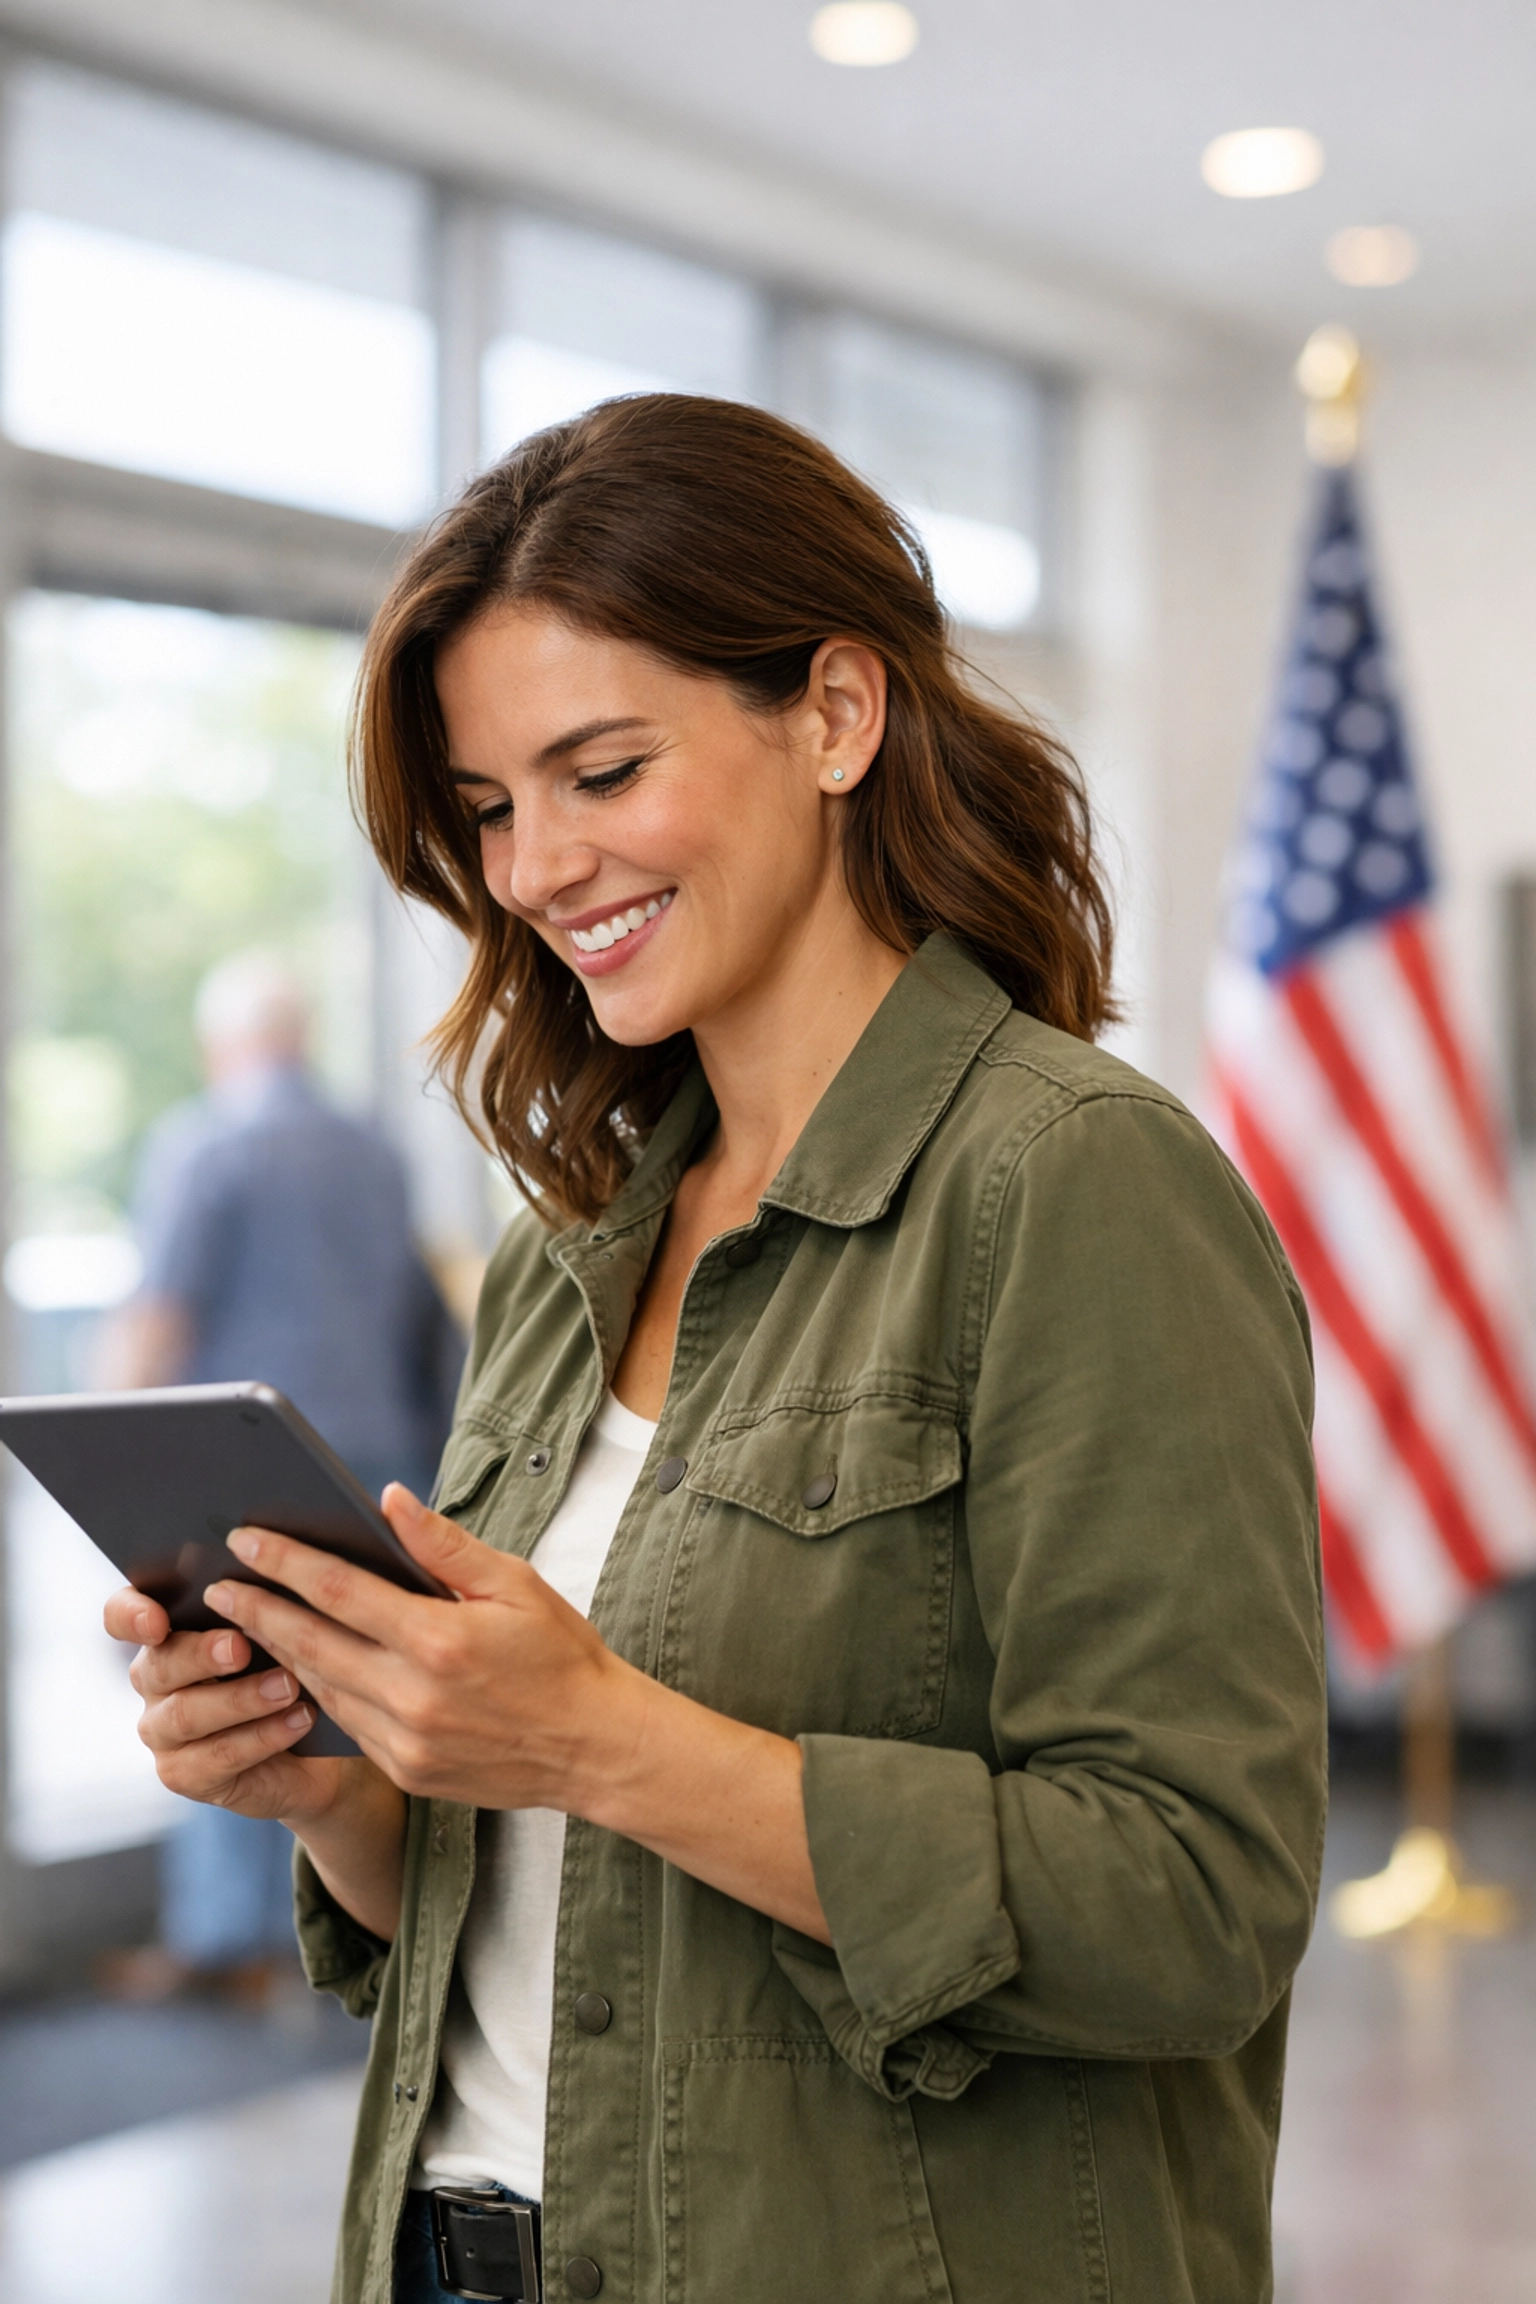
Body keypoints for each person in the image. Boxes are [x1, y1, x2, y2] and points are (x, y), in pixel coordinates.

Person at [109, 396, 1325, 2303]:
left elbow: (1194, 1902)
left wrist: (606, 1737)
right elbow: (522, 1922)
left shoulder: (1075, 1181)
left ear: (835, 714)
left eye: (599, 769)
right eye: (491, 807)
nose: (534, 866)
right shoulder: (567, 1246)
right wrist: (344, 1778)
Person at [103, 949, 461, 1998]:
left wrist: (104, 1454)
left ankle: (229, 1943)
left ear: (222, 1046)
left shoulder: (205, 1144)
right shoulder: (377, 1152)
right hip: (380, 1458)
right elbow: (423, 1324)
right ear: (301, 1039)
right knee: (346, 1698)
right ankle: (353, 1926)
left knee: (219, 1677)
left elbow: (158, 1321)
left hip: (246, 1465)